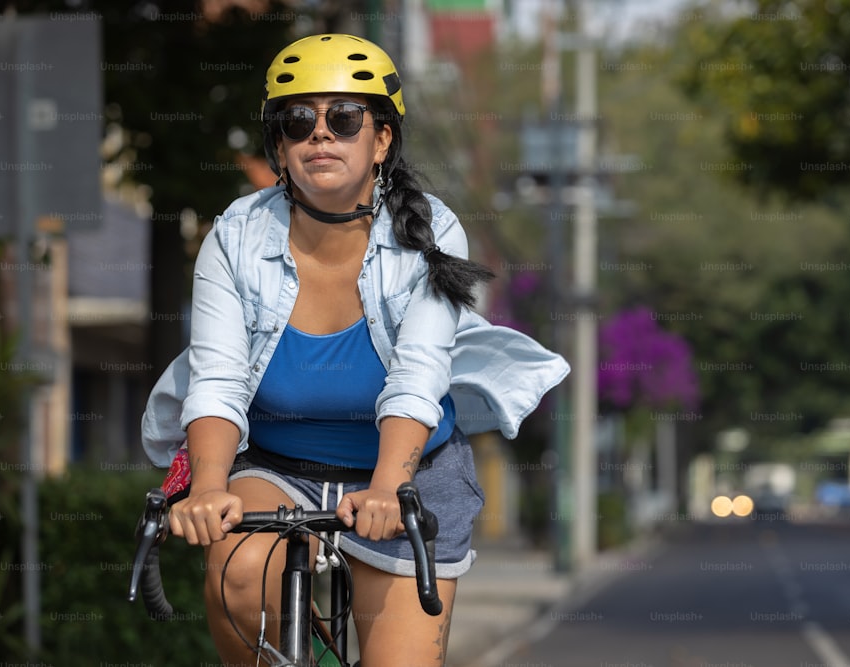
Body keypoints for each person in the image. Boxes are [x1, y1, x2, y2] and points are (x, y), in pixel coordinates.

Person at [141, 33, 569, 667]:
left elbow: (419, 377)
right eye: (298, 121)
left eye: (343, 119)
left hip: (405, 475)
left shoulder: (430, 231)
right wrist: (207, 488)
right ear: (278, 145)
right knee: (236, 570)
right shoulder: (234, 235)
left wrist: (387, 488)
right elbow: (219, 380)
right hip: (278, 463)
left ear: (382, 140)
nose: (321, 136)